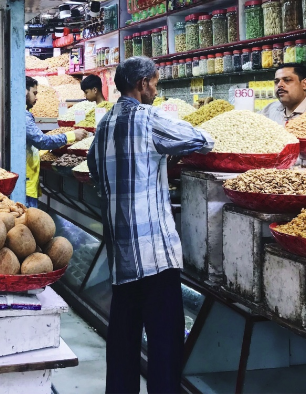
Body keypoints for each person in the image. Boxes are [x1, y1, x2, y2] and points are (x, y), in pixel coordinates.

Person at [87, 57, 214, 394]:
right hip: (154, 253)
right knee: (164, 343)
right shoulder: (147, 118)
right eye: (155, 83)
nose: (156, 91)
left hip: (120, 254)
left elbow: (94, 170)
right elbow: (200, 139)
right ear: (142, 84)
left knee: (123, 341)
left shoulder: (103, 125)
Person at [26, 76, 86, 207]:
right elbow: (42, 141)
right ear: (25, 92)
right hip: (26, 184)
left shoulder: (23, 114)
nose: (36, 98)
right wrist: (71, 135)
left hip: (29, 181)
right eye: (34, 93)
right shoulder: (23, 116)